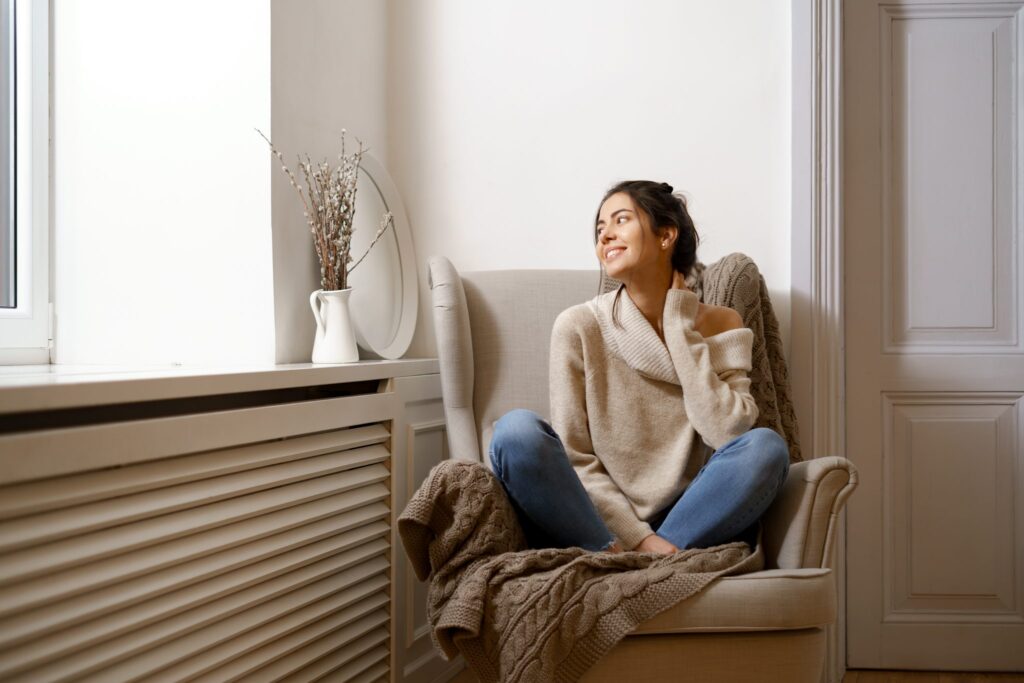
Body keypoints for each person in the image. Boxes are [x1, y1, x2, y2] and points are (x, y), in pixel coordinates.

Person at [488, 180, 790, 554]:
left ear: (666, 235)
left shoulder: (722, 323)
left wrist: (680, 327)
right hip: (601, 522)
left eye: (620, 220)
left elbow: (727, 432)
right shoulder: (579, 326)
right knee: (515, 432)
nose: (606, 236)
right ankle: (641, 557)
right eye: (599, 229)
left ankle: (641, 561)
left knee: (766, 447)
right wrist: (637, 537)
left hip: (691, 512)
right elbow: (575, 455)